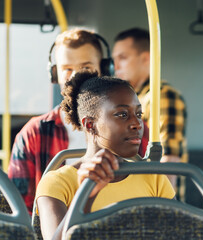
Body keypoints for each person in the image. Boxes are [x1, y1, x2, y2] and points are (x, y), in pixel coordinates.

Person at [8, 29, 148, 215]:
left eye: (85, 67)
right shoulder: (34, 133)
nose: (74, 76)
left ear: (105, 69)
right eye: (66, 69)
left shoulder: (134, 129)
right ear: (55, 74)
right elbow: (19, 210)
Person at [35, 71, 175, 240]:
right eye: (122, 114)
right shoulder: (58, 182)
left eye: (139, 114)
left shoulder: (154, 178)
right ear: (90, 125)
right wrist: (87, 195)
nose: (137, 124)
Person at [112, 28, 187, 187]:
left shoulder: (161, 95)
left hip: (154, 198)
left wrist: (163, 207)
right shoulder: (135, 98)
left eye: (123, 58)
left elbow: (168, 161)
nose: (116, 66)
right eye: (114, 60)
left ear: (145, 58)